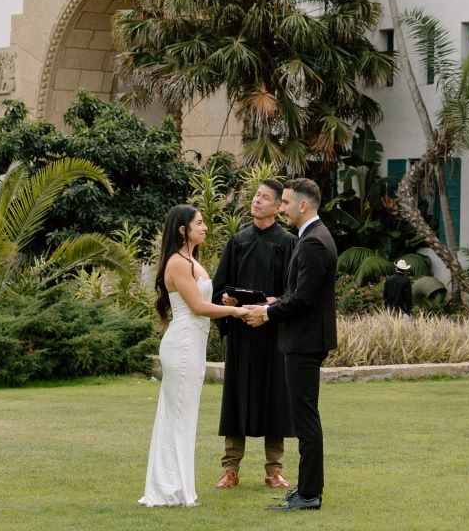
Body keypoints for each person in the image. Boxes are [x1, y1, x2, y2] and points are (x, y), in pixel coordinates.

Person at [241, 178, 336, 513]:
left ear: (303, 205)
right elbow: (298, 294)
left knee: (305, 419)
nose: (281, 208)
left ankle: (310, 494)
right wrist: (274, 300)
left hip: (304, 342)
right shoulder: (310, 236)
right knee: (304, 416)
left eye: (284, 202)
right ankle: (306, 488)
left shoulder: (313, 242)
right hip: (303, 339)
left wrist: (267, 313)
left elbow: (305, 301)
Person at [140, 205, 241, 508]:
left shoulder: (191, 260)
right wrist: (236, 311)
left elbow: (204, 300)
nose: (206, 227)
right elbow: (197, 307)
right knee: (179, 416)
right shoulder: (177, 263)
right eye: (199, 223)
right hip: (183, 345)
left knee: (184, 416)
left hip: (192, 344)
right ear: (183, 229)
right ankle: (172, 488)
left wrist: (227, 301)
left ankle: (178, 486)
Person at [214, 178, 297, 490]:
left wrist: (273, 303)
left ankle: (274, 470)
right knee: (236, 399)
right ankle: (230, 469)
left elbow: (294, 291)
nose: (257, 201)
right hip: (241, 335)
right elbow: (219, 287)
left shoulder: (288, 243)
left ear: (278, 206)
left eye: (265, 197)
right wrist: (226, 299)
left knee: (275, 399)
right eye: (256, 196)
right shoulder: (238, 241)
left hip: (273, 334)